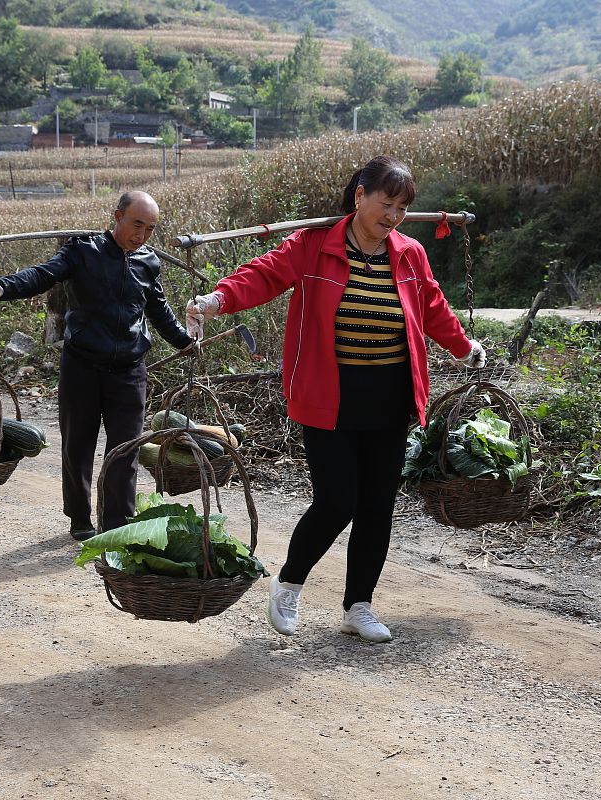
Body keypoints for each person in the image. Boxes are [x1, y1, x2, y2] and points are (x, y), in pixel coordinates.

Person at [185, 155, 485, 643]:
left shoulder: (408, 253)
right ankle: (289, 583)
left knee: (377, 506)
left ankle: (359, 605)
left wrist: (464, 346)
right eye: (386, 204)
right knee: (336, 500)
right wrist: (216, 301)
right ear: (359, 195)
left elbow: (432, 306)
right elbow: (262, 275)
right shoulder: (313, 246)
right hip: (330, 394)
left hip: (390, 396)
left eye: (402, 209)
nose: (392, 217)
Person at [0, 190, 194, 541]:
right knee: (78, 446)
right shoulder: (82, 252)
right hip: (83, 367)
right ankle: (79, 517)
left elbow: (158, 309)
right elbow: (41, 275)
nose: (142, 235)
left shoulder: (148, 262)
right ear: (117, 216)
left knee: (126, 449)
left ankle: (117, 525)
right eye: (137, 225)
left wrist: (183, 341)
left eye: (150, 229)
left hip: (128, 370)